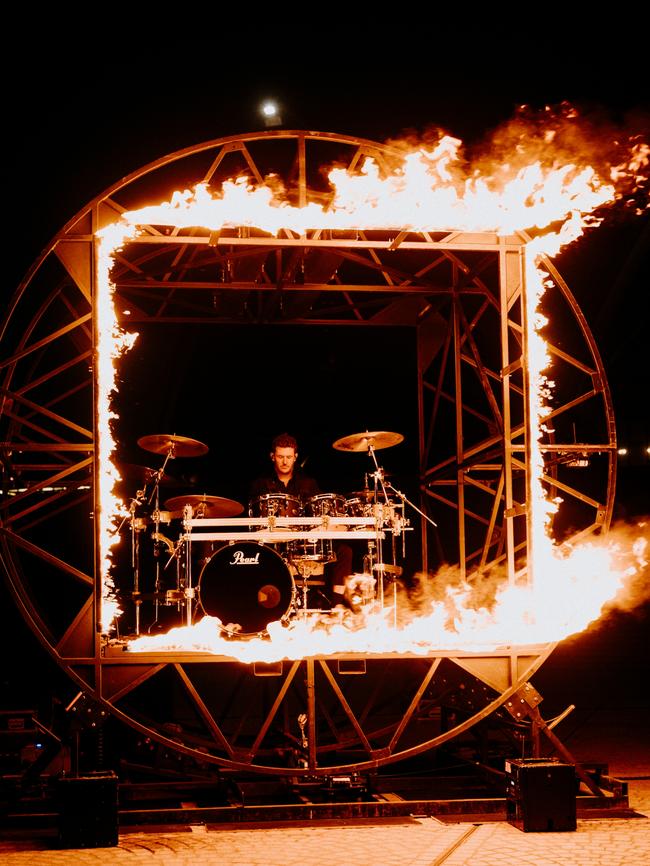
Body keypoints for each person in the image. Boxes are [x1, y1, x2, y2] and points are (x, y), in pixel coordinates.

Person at [249, 433, 354, 609]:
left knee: (344, 551)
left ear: (295, 457)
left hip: (302, 542)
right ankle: (265, 607)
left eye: (289, 457)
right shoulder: (259, 484)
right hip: (271, 542)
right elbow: (253, 520)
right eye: (281, 457)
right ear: (272, 456)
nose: (284, 462)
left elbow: (318, 513)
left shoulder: (308, 483)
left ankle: (337, 605)